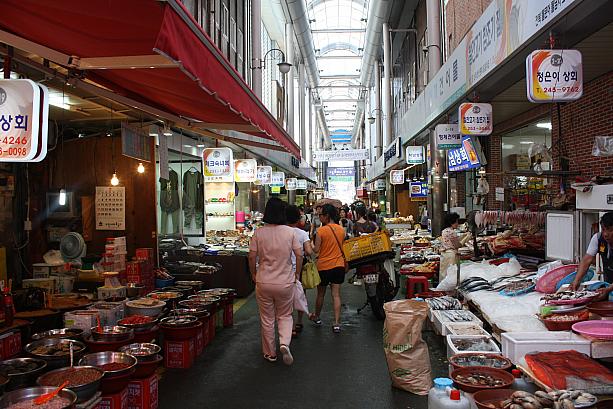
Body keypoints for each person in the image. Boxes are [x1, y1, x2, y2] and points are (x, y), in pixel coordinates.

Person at [248, 198, 303, 365]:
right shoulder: (290, 232)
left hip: (264, 281)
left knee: (267, 318)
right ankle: (284, 343)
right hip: (285, 281)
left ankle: (270, 353)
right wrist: (297, 274)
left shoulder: (259, 232)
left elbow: (251, 256)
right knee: (285, 315)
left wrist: (254, 273)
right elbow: (299, 255)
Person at [311, 204, 346, 333]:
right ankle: (336, 323)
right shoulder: (341, 230)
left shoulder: (321, 231)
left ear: (327, 216)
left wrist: (311, 244)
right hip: (338, 265)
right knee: (336, 295)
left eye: (320, 215)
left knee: (320, 294)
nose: (319, 217)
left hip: (324, 266)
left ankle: (317, 317)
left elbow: (316, 250)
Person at [570, 212, 613, 300]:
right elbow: (587, 260)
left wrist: (609, 289)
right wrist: (576, 281)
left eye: (609, 230)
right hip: (608, 283)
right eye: (604, 229)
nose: (605, 234)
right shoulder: (597, 238)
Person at [286, 205, 314, 337]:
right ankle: (299, 321)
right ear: (298, 219)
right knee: (300, 294)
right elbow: (308, 251)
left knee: (287, 298)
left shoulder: (281, 232)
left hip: (284, 270)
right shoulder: (302, 234)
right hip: (299, 269)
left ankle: (290, 327)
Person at [439, 212, 471, 282]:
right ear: (451, 222)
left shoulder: (444, 231)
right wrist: (467, 238)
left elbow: (454, 240)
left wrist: (464, 235)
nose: (458, 223)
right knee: (451, 276)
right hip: (451, 256)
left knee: (444, 275)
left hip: (444, 255)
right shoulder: (451, 232)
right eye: (456, 221)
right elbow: (458, 245)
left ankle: (443, 290)